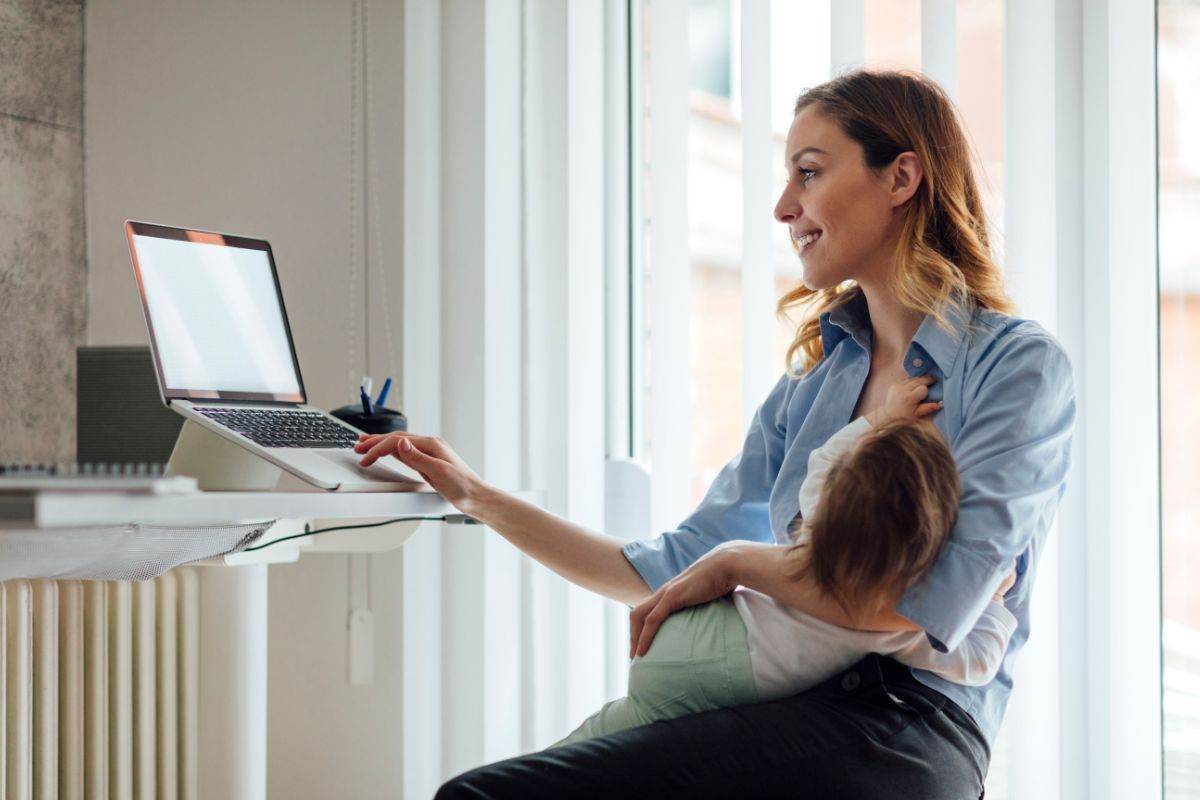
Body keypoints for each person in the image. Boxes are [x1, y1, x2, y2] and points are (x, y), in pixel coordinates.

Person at [356, 69, 1076, 798]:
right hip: (783, 706)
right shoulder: (812, 386)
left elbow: (922, 606)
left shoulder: (1017, 367)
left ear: (901, 178)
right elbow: (667, 568)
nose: (783, 206)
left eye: (809, 172)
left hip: (909, 721)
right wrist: (475, 496)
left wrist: (741, 563)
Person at [553, 374, 1018, 747]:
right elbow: (978, 660)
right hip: (726, 675)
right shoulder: (897, 621)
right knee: (620, 744)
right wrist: (995, 599)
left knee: (592, 744)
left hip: (692, 629)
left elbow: (824, 461)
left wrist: (882, 418)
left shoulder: (816, 529)